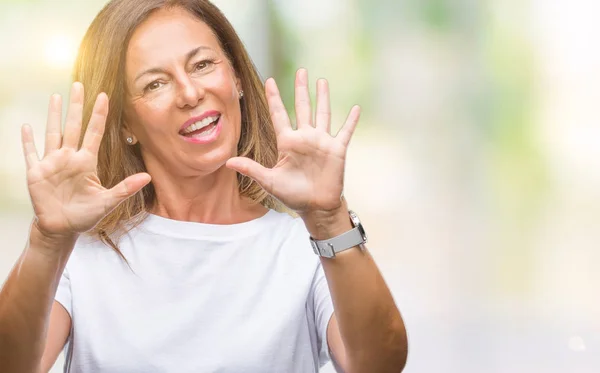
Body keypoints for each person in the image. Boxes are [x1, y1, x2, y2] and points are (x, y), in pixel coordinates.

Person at [0, 0, 408, 372]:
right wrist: (48, 242)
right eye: (155, 84)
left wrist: (329, 219)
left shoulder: (305, 248)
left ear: (236, 79)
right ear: (125, 124)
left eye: (202, 65)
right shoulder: (82, 254)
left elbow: (379, 365)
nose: (191, 93)